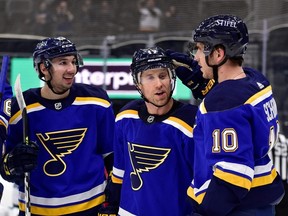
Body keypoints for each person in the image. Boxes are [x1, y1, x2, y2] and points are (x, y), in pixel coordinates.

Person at [174, 14, 284, 215]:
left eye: (200, 48)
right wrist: (203, 85)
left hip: (235, 208)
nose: (196, 57)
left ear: (218, 54)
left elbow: (232, 175)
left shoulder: (223, 103)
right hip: (261, 197)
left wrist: (205, 210)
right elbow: (235, 100)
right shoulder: (255, 80)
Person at [0, 37, 115, 216]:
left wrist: (113, 201)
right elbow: (6, 170)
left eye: (74, 62)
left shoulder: (97, 101)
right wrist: (13, 163)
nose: (72, 69)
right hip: (36, 211)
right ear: (44, 68)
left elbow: (112, 155)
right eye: (63, 62)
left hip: (91, 209)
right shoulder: (19, 110)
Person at [98, 46, 198, 216]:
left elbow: (202, 181)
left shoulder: (191, 121)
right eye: (150, 77)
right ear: (138, 84)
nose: (159, 84)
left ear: (171, 77)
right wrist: (112, 206)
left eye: (163, 75)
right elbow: (119, 172)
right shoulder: (125, 117)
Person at [269, 133, 288, 216]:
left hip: (273, 180)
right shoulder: (286, 141)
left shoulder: (270, 140)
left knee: (273, 208)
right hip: (284, 181)